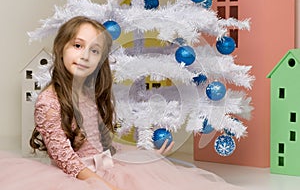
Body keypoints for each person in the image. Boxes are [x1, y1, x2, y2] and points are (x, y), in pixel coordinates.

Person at [0, 16, 243, 190]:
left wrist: (144, 158)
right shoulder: (49, 101)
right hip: (76, 175)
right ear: (60, 48)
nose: (85, 55)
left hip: (106, 164)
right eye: (77, 46)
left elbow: (99, 144)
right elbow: (67, 160)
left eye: (94, 51)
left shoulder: (88, 92)